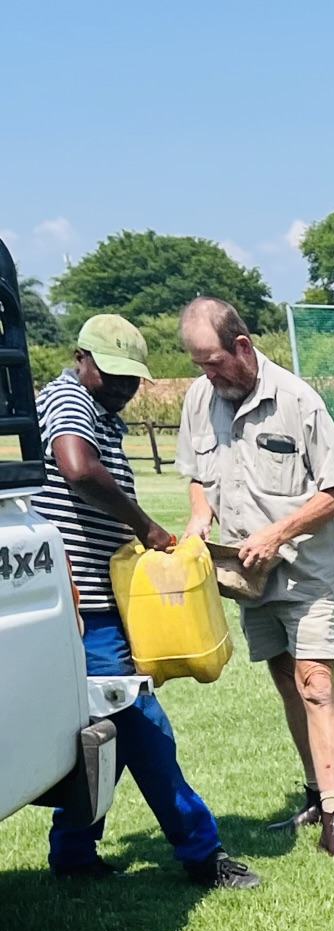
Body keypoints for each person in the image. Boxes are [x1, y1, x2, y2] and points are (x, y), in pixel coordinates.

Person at [33, 315, 258, 889]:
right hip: (82, 610)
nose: (123, 389)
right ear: (81, 357)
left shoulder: (99, 411)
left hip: (100, 605)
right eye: (112, 375)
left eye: (132, 380)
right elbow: (77, 470)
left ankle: (75, 855)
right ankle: (202, 855)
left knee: (103, 731)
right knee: (141, 727)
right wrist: (146, 526)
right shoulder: (65, 399)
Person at [175, 296, 334, 857]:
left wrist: (276, 533)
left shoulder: (298, 400)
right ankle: (311, 791)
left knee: (315, 682)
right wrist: (199, 514)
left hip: (303, 569)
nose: (208, 374)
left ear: (242, 345)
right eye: (198, 365)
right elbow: (195, 474)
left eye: (213, 362)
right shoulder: (199, 399)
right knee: (285, 678)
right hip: (243, 575)